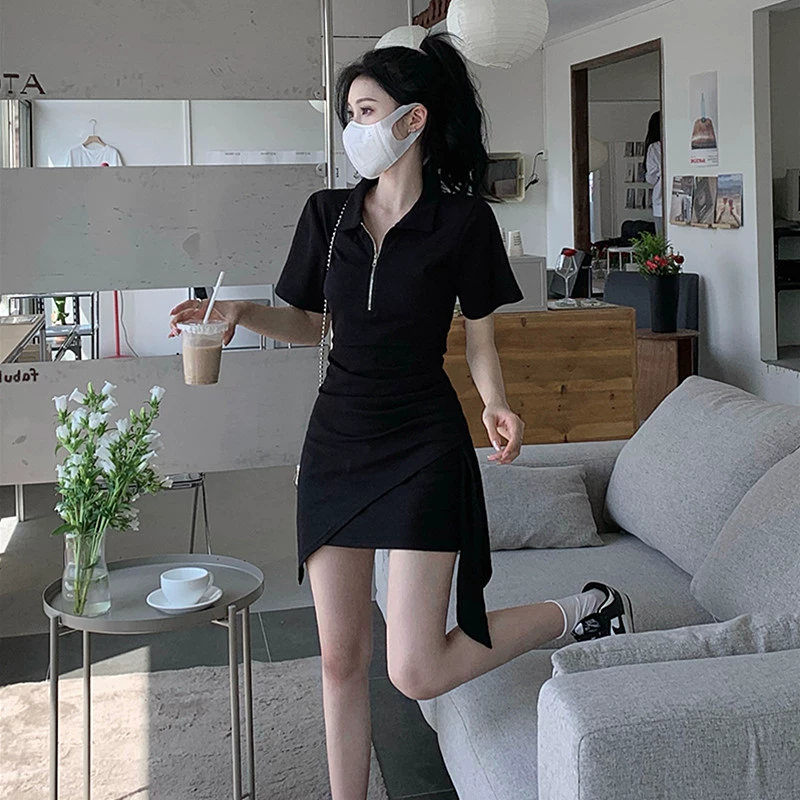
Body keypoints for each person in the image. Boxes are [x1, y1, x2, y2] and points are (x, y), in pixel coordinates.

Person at [170, 31, 635, 800]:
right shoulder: (327, 215)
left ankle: (587, 606)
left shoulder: (463, 223)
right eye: (350, 114)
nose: (353, 128)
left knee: (416, 669)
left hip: (422, 442)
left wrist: (497, 404)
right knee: (339, 660)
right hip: (337, 443)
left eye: (365, 111)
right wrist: (243, 313)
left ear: (412, 120)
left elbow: (479, 338)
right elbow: (310, 324)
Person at [644, 110, 663, 235]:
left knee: (662, 241)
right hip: (681, 199)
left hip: (660, 202)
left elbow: (651, 178)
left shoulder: (654, 147)